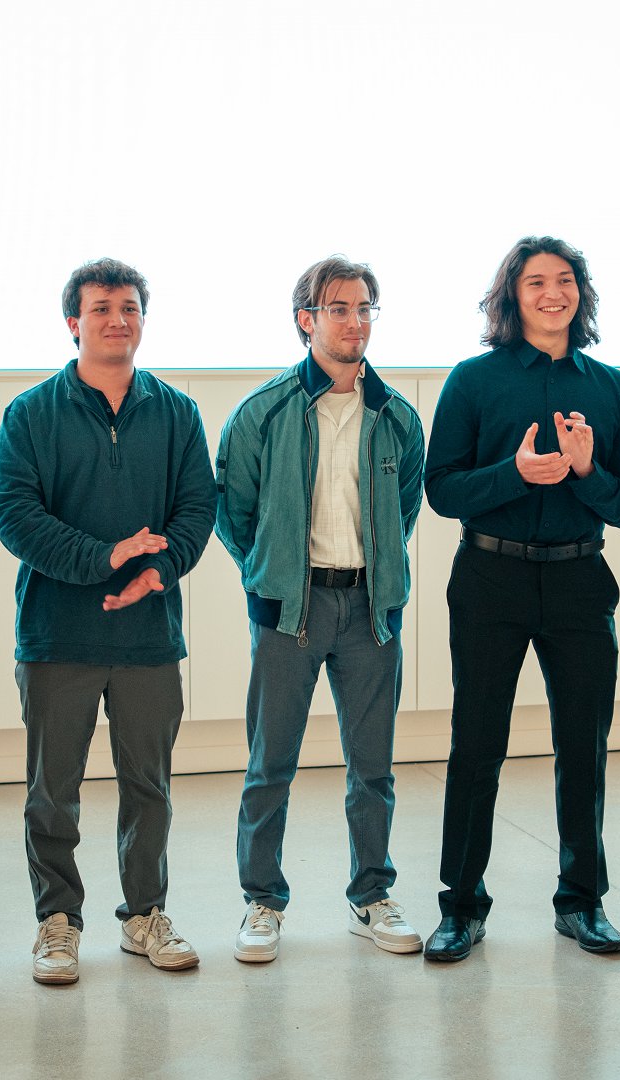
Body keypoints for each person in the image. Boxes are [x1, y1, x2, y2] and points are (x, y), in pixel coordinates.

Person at [423, 236, 620, 961]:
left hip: (581, 580)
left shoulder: (612, 388)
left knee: (583, 745)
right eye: (535, 282)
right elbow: (441, 489)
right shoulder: (473, 380)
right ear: (512, 296)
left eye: (564, 281)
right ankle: (461, 907)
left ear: (580, 294)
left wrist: (586, 472)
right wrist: (515, 474)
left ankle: (582, 902)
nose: (552, 293)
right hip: (489, 578)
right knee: (477, 745)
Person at [0, 258, 214, 983]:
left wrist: (158, 570)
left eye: (129, 307)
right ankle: (57, 921)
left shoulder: (177, 413)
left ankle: (145, 914)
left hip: (149, 636)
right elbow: (14, 515)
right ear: (73, 323)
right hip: (58, 635)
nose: (118, 319)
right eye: (101, 308)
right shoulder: (30, 413)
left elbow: (197, 508)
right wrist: (104, 557)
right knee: (53, 792)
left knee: (149, 789)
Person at [215, 255, 426, 962]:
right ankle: (262, 902)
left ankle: (372, 896)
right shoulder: (264, 412)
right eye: (339, 308)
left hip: (371, 611)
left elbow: (403, 509)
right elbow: (234, 512)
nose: (354, 322)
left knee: (373, 768)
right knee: (270, 764)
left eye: (365, 308)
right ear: (306, 320)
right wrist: (269, 577)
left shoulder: (396, 416)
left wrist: (378, 579)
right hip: (289, 611)